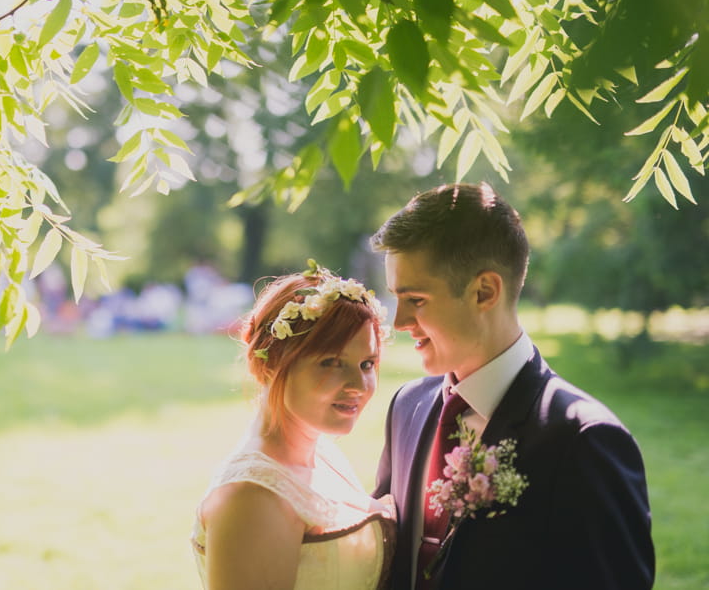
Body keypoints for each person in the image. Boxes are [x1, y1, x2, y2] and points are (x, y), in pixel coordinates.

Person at [370, 182, 655, 590]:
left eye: (415, 299)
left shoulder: (584, 441)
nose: (398, 323)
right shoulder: (406, 407)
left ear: (484, 291)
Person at [191, 261, 397, 590]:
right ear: (270, 363)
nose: (358, 385)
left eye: (367, 363)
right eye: (332, 362)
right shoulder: (252, 497)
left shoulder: (322, 452)